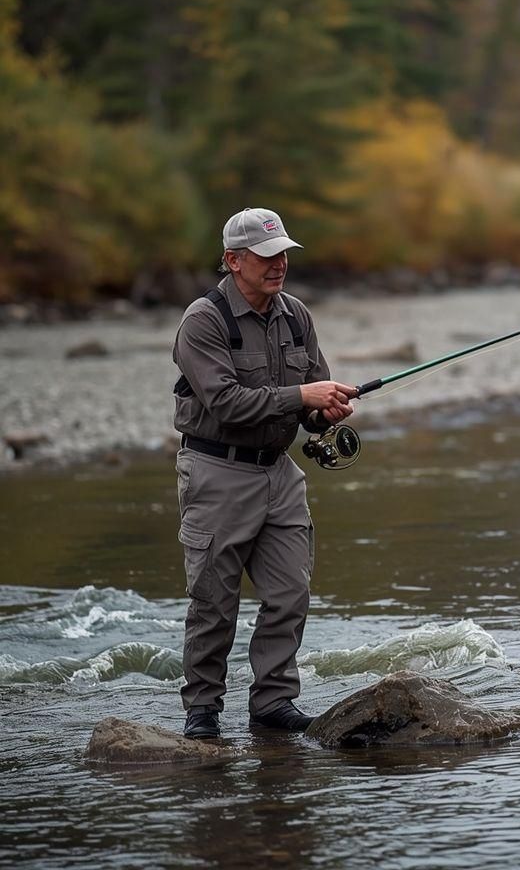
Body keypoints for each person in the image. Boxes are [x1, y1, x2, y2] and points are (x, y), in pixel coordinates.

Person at [172, 207, 356, 740]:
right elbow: (227, 403)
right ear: (232, 260)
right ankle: (202, 710)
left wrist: (325, 412)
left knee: (290, 594)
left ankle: (273, 702)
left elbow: (310, 402)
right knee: (214, 601)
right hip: (215, 471)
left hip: (279, 473)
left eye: (283, 255)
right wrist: (303, 395)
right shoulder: (203, 321)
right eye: (266, 256)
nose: (279, 265)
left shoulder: (296, 315)